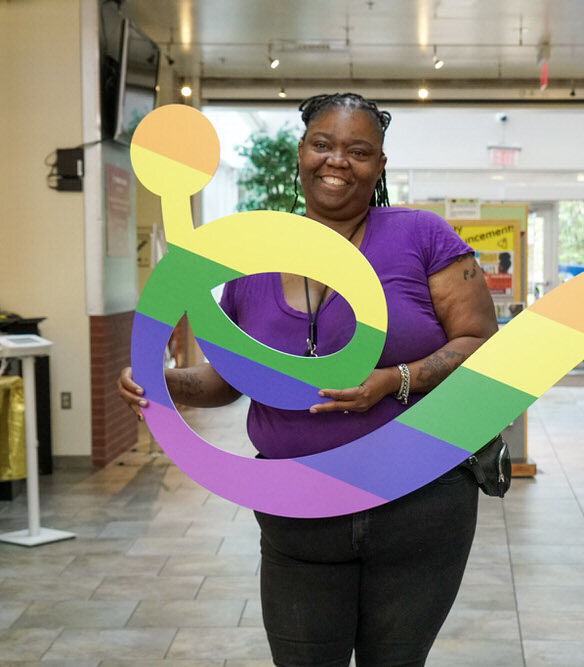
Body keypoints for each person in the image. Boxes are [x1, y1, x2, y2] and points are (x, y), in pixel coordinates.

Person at [118, 92, 498, 666]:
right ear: (300, 153)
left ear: (380, 166)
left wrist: (396, 378)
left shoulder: (421, 237)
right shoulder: (255, 259)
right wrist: (160, 380)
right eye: (322, 144)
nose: (337, 160)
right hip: (297, 507)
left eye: (359, 150)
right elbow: (233, 378)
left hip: (418, 505)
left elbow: (482, 345)